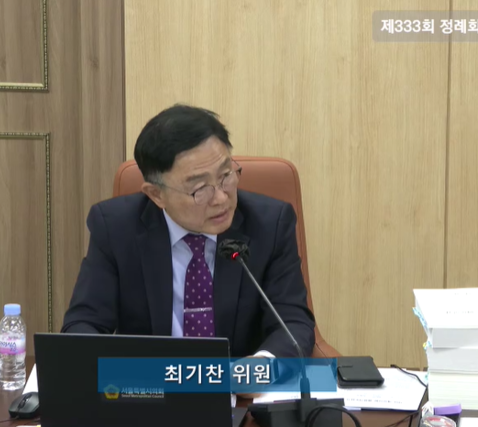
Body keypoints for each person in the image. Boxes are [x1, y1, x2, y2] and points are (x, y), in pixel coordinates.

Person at [61, 104, 315, 362]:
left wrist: (260, 365)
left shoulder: (270, 224)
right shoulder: (116, 228)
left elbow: (293, 323)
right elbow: (83, 324)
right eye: (200, 189)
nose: (220, 198)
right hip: (151, 381)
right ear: (156, 194)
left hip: (238, 381)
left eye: (226, 175)